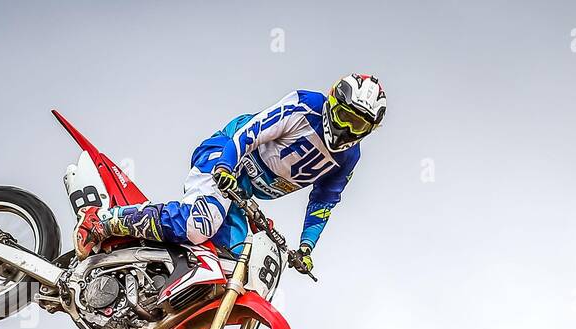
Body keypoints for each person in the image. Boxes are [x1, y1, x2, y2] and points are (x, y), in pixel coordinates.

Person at [74, 74, 387, 271]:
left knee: (232, 265)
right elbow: (249, 132)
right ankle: (103, 221)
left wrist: (306, 247)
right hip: (225, 156)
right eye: (346, 116)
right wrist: (225, 165)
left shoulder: (348, 157)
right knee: (202, 225)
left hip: (243, 193)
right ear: (334, 103)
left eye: (358, 125)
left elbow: (324, 202)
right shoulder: (304, 105)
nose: (347, 129)